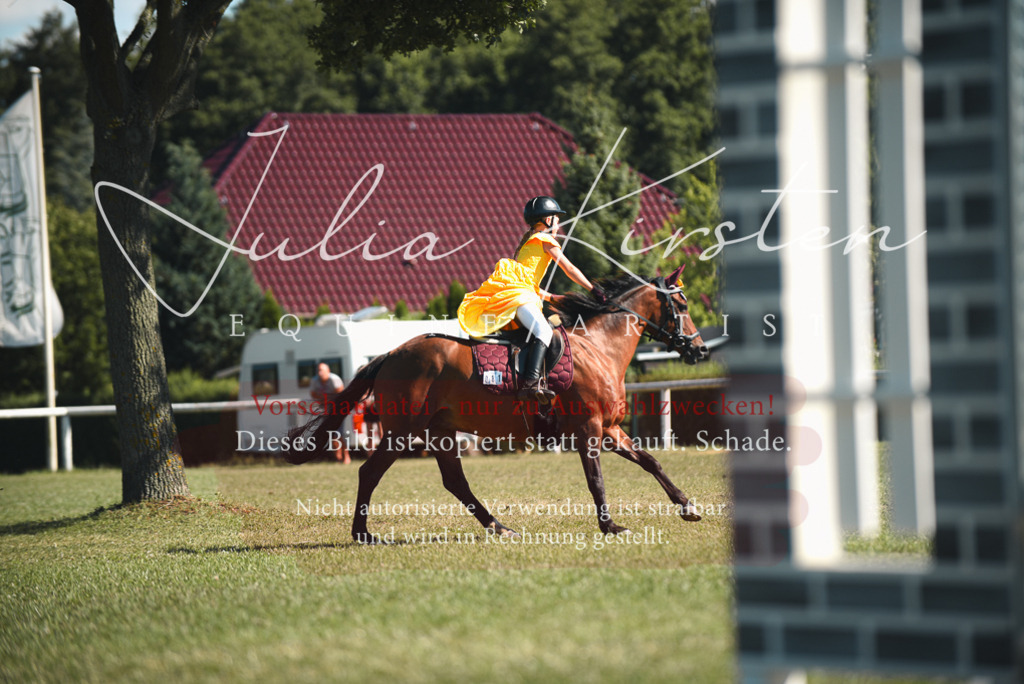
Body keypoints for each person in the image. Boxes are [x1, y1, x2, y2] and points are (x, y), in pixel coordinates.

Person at [457, 196, 605, 404]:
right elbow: (569, 268)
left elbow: (530, 284)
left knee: (532, 335)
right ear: (547, 220)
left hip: (522, 295)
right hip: (520, 298)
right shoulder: (545, 240)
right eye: (556, 218)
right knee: (544, 331)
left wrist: (552, 297)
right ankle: (530, 383)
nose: (558, 223)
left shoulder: (528, 242)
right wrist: (593, 289)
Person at [309, 362, 350, 464]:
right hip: (325, 410)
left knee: (339, 434)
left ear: (328, 371)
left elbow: (340, 394)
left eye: (322, 370)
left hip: (338, 409)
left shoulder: (334, 379)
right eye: (318, 370)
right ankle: (338, 457)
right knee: (331, 434)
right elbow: (313, 394)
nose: (320, 373)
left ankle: (346, 456)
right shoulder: (315, 381)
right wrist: (326, 399)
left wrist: (326, 399)